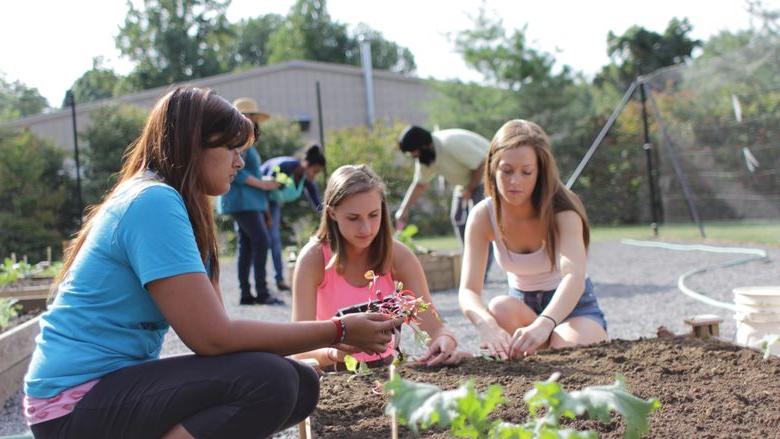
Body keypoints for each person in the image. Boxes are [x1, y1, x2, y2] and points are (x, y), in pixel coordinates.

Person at [23, 87, 401, 438]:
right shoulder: (152, 201)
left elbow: (226, 337)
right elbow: (212, 338)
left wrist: (322, 349)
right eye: (232, 148)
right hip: (70, 406)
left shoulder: (182, 207)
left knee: (301, 383)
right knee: (270, 380)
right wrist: (338, 330)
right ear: (193, 146)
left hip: (111, 390)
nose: (240, 162)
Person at [458, 119, 608, 361]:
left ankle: (562, 343)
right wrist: (487, 325)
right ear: (492, 169)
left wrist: (545, 323)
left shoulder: (564, 212)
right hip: (521, 307)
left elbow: (574, 277)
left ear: (540, 172)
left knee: (564, 351)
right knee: (498, 308)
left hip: (572, 309)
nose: (515, 181)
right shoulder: (482, 216)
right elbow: (468, 291)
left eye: (526, 172)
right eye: (506, 171)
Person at [291, 164, 464, 370]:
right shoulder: (314, 260)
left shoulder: (398, 256)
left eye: (374, 215)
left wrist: (445, 341)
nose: (366, 228)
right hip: (332, 377)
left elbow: (434, 327)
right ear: (332, 214)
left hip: (387, 376)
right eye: (353, 218)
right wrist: (335, 353)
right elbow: (299, 347)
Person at [395, 125, 494, 274]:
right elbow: (420, 184)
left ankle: (481, 269)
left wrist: (470, 188)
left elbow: (482, 163)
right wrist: (404, 208)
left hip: (486, 178)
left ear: (424, 145)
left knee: (479, 222)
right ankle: (470, 259)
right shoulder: (426, 158)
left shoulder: (449, 143)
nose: (414, 157)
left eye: (414, 152)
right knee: (458, 217)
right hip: (466, 183)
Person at [219, 97, 284, 305]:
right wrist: (264, 185)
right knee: (261, 240)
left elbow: (249, 172)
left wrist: (266, 184)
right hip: (242, 201)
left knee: (247, 245)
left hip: (249, 202)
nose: (255, 121)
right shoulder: (239, 139)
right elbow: (238, 172)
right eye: (252, 117)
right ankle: (262, 292)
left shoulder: (245, 140)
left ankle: (247, 293)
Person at [260, 145, 326, 291]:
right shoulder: (285, 166)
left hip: (274, 203)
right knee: (260, 241)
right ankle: (260, 283)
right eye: (315, 171)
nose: (314, 176)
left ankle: (279, 280)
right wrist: (266, 214)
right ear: (307, 164)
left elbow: (317, 203)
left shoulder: (306, 180)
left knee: (274, 239)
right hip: (259, 199)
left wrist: (329, 218)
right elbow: (265, 185)